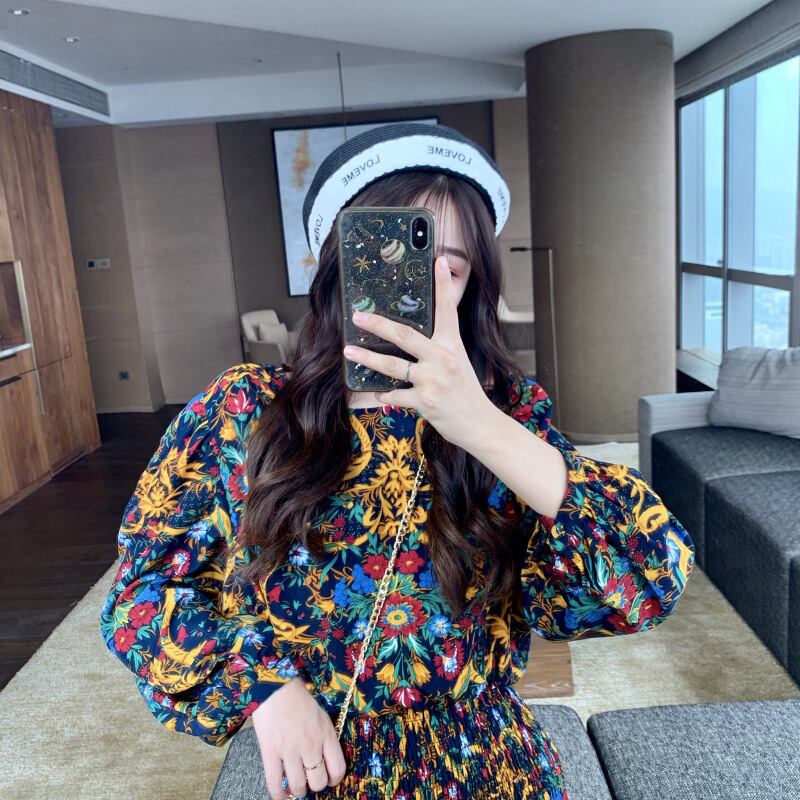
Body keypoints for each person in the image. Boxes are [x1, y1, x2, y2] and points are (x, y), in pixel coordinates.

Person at [99, 122, 696, 799]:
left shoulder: (509, 417)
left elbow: (651, 575)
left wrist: (480, 423)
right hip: (322, 767)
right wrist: (262, 688)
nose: (422, 286)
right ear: (338, 263)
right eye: (391, 255)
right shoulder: (243, 410)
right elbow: (140, 596)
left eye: (452, 266)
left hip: (487, 766)